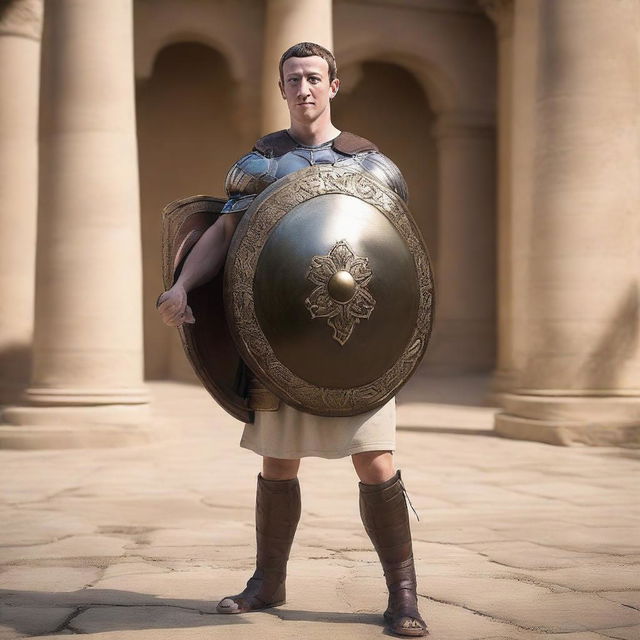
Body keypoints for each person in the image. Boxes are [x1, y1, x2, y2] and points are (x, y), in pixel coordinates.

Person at [157, 42, 428, 638]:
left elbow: (393, 256)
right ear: (282, 90)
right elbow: (224, 235)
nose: (303, 89)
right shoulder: (261, 164)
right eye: (292, 80)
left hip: (354, 345)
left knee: (376, 462)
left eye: (313, 78)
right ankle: (268, 581)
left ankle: (403, 596)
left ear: (333, 86)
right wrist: (182, 285)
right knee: (278, 463)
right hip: (275, 343)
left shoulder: (371, 167)